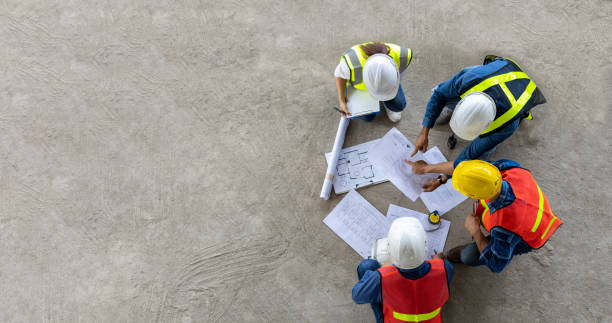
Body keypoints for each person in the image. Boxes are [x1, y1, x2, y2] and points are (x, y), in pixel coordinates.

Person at [405, 56, 547, 192]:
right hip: (496, 74)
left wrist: (434, 174)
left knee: (483, 152)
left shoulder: (505, 126)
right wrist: (424, 131)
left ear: (486, 125)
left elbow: (463, 161)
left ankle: (487, 146)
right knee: (437, 92)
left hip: (518, 91)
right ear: (462, 102)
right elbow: (439, 95)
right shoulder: (470, 78)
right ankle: (449, 107)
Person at [446, 159, 562, 273]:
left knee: (468, 256)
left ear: (472, 194)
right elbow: (471, 174)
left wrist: (476, 231)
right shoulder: (508, 168)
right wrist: (442, 179)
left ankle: (511, 248)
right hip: (533, 212)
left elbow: (496, 264)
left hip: (533, 236)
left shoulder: (505, 225)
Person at [353, 217, 454, 323]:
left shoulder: (380, 278)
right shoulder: (445, 268)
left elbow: (358, 296)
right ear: (425, 245)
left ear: (391, 250)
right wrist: (439, 262)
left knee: (366, 266)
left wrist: (384, 269)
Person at [334, 42, 412, 122]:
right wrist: (341, 101)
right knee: (367, 117)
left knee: (399, 105)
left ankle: (388, 102)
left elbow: (401, 73)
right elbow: (339, 75)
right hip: (361, 90)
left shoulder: (403, 55)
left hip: (388, 84)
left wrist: (392, 84)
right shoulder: (351, 64)